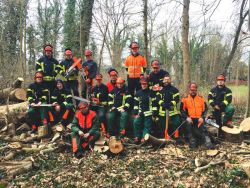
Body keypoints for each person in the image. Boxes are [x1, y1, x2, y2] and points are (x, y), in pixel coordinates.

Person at [180, 83, 213, 149]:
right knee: (188, 127)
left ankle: (207, 142)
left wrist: (202, 117)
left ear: (196, 90)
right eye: (191, 90)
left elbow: (205, 109)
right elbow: (182, 110)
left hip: (199, 119)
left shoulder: (201, 98)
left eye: (194, 90)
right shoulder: (185, 99)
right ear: (189, 90)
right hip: (190, 119)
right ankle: (192, 141)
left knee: (204, 130)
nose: (193, 91)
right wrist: (187, 117)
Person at [154, 75, 182, 140]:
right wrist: (162, 103)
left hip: (172, 111)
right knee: (161, 123)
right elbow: (157, 99)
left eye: (168, 79)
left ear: (170, 80)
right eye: (165, 79)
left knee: (177, 121)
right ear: (163, 81)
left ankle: (176, 134)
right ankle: (165, 135)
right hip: (163, 111)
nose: (166, 81)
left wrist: (171, 104)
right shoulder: (161, 90)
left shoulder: (174, 90)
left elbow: (177, 99)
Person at [133, 77, 153, 144]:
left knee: (147, 125)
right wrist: (136, 113)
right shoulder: (138, 93)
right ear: (141, 84)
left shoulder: (151, 93)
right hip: (140, 113)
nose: (144, 85)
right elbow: (135, 104)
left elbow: (154, 104)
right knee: (136, 122)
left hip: (148, 113)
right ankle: (137, 137)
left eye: (145, 84)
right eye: (142, 84)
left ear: (147, 84)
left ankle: (144, 138)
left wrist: (154, 113)